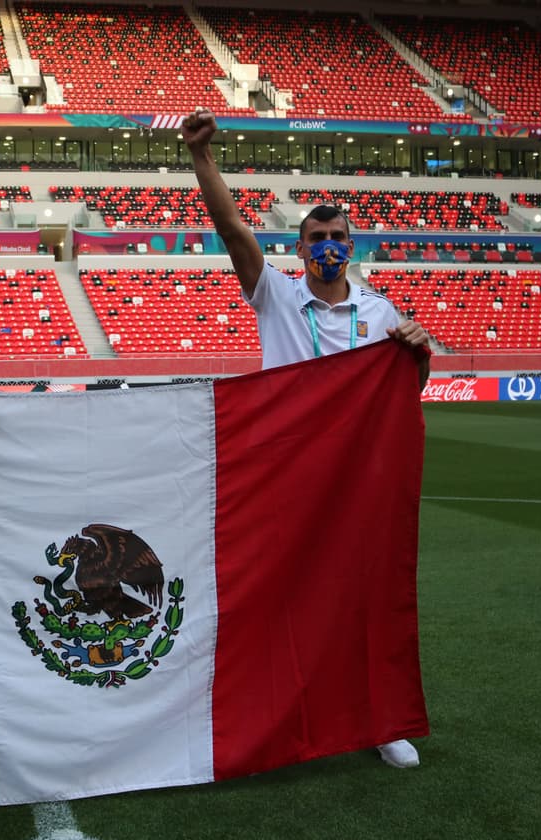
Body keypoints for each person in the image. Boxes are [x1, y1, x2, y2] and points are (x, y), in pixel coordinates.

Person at [182, 107, 429, 770]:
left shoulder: (380, 313)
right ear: (300, 249)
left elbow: (406, 393)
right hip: (286, 475)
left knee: (365, 598)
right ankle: (271, 719)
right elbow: (235, 233)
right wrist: (203, 158)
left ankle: (382, 721)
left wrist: (421, 352)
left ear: (352, 246)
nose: (327, 245)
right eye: (316, 236)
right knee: (276, 596)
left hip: (355, 483)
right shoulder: (278, 297)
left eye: (337, 236)